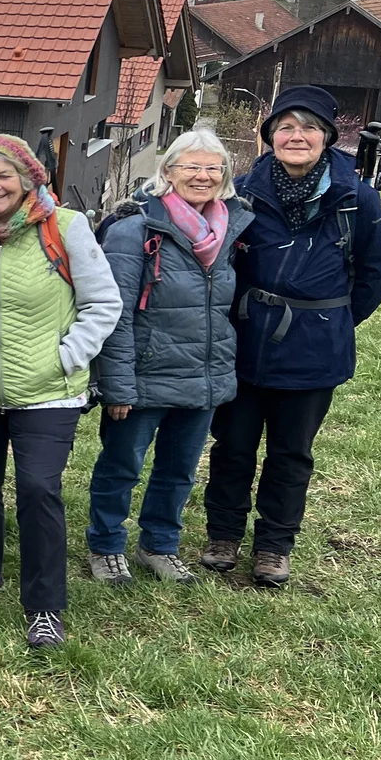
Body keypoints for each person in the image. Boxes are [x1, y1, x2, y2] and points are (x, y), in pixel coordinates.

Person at [0, 136, 120, 649]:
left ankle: (43, 606)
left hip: (47, 390)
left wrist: (64, 356)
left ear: (30, 179)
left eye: (4, 175)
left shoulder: (65, 228)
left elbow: (103, 303)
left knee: (39, 489)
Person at [203, 87, 381, 587]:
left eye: (308, 127)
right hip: (243, 340)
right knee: (233, 444)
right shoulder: (240, 192)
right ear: (269, 136)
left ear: (327, 137)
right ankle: (222, 534)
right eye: (285, 126)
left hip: (315, 348)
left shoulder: (357, 198)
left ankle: (274, 546)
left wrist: (330, 322)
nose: (296, 136)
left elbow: (373, 275)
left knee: (291, 451)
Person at [86, 131, 252, 586]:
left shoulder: (229, 230)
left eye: (213, 168)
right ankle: (105, 544)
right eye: (191, 167)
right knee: (121, 467)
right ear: (168, 173)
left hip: (203, 376)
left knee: (178, 471)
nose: (202, 176)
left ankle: (159, 544)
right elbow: (112, 312)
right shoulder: (133, 231)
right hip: (143, 375)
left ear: (224, 176)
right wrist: (116, 384)